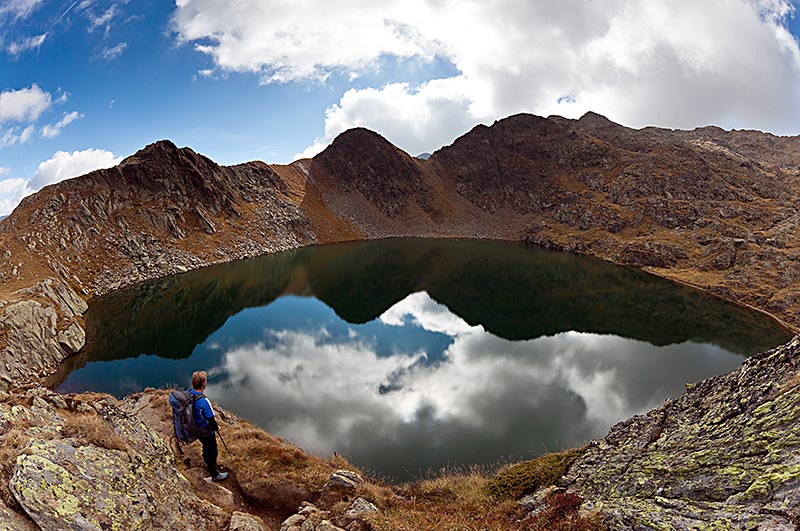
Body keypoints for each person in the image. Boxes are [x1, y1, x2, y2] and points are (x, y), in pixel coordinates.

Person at [190, 370, 228, 482]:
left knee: (206, 447)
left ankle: (209, 463)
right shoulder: (204, 401)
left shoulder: (189, 394)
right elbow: (210, 418)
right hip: (205, 431)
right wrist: (216, 428)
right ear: (203, 384)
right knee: (212, 450)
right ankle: (214, 474)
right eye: (205, 381)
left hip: (195, 428)